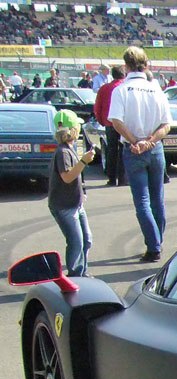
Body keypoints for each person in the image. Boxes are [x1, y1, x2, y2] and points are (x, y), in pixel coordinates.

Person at [108, 46, 171, 263]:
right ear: (146, 65)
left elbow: (116, 121)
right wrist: (150, 141)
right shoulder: (156, 89)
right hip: (155, 148)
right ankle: (157, 241)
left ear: (126, 66)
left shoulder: (121, 90)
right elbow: (166, 125)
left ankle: (154, 246)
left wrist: (136, 141)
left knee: (142, 201)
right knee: (157, 199)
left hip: (134, 149)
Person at [48, 110, 96, 278]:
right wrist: (84, 161)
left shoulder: (71, 148)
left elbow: (77, 176)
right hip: (64, 206)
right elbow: (67, 177)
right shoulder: (63, 152)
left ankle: (82, 272)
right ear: (73, 129)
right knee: (76, 242)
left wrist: (83, 191)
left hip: (76, 203)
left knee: (86, 239)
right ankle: (76, 276)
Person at [93, 65, 126, 186]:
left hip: (109, 123)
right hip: (124, 123)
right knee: (124, 149)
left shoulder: (104, 88)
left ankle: (111, 178)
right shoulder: (126, 87)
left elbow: (97, 107)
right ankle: (123, 178)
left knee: (111, 150)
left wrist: (101, 121)